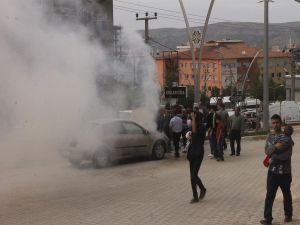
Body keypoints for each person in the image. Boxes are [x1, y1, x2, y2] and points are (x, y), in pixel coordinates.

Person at [260, 115, 293, 225]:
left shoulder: (287, 137)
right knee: (269, 195)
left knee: (286, 194)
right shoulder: (270, 137)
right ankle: (267, 218)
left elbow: (287, 155)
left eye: (277, 123)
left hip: (285, 172)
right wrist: (276, 147)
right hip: (272, 172)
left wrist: (273, 155)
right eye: (273, 123)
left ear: (281, 123)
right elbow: (267, 151)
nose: (275, 125)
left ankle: (288, 214)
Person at [187, 111, 207, 203]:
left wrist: (193, 119)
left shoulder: (202, 126)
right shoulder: (193, 126)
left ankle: (202, 189)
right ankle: (195, 196)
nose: (191, 119)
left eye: (193, 117)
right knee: (192, 176)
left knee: (194, 175)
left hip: (198, 153)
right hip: (192, 153)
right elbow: (193, 134)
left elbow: (195, 131)